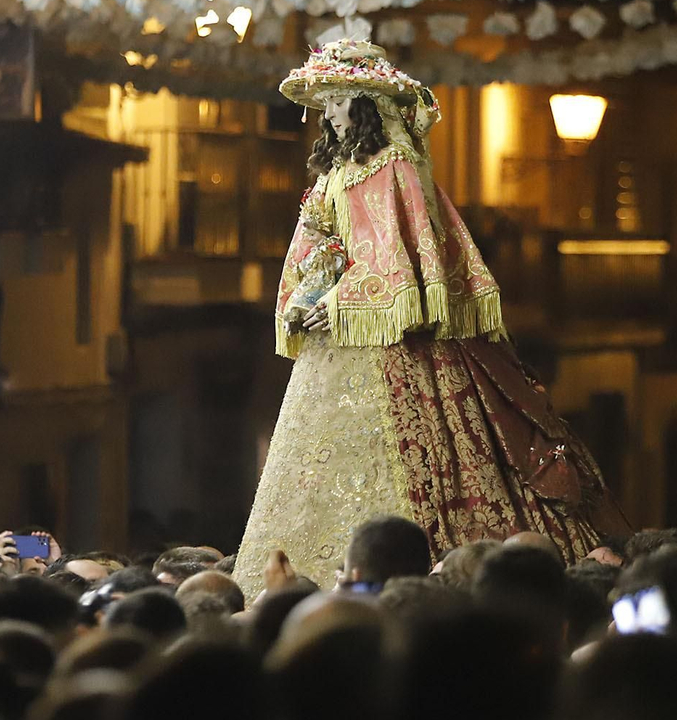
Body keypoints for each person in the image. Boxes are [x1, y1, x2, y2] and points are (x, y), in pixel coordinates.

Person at [233, 39, 625, 596]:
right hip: (333, 340)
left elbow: (397, 254)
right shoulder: (334, 175)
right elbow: (318, 243)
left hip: (388, 334)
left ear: (367, 103)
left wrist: (342, 302)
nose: (329, 114)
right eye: (324, 103)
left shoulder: (395, 167)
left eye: (340, 100)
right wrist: (305, 293)